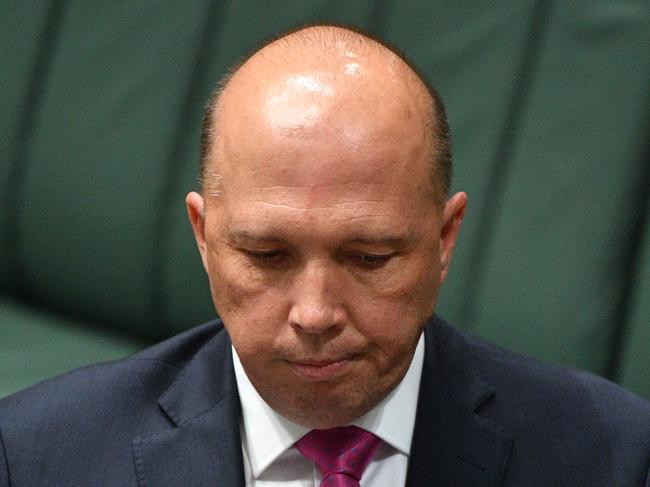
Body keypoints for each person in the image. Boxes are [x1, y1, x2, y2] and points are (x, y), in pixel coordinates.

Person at [0, 24, 649, 487]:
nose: (314, 314)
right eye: (266, 253)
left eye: (369, 257)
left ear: (445, 239)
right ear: (203, 235)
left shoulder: (612, 454)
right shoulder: (35, 455)